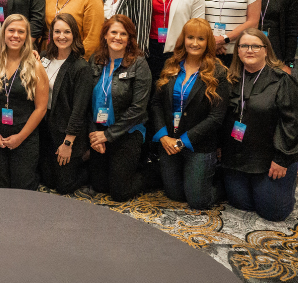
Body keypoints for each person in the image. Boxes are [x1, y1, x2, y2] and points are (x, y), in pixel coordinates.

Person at [150, 19, 229, 209]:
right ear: (183, 40)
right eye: (190, 37)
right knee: (175, 195)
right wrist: (163, 137)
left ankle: (224, 185)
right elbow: (155, 103)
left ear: (208, 42)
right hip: (169, 142)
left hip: (199, 145)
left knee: (197, 201)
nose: (194, 43)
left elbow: (216, 118)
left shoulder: (218, 72)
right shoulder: (171, 64)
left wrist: (182, 141)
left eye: (200, 39)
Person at [221, 30, 298, 221]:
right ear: (237, 51)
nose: (250, 50)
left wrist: (282, 158)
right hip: (237, 155)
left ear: (266, 50)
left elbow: (292, 122)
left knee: (273, 212)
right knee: (240, 203)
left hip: (271, 156)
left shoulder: (282, 80)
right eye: (244, 46)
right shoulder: (230, 78)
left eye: (256, 46)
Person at [0, 15, 48, 189]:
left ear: (26, 36)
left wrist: (20, 137)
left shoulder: (35, 65)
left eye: (21, 32)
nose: (15, 35)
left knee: (22, 187)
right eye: (11, 30)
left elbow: (41, 108)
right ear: (3, 33)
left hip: (24, 136)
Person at [88, 15, 151, 202]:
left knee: (119, 192)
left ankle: (154, 172)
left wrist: (108, 135)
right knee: (99, 185)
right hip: (100, 129)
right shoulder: (95, 60)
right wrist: (94, 134)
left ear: (130, 38)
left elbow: (138, 109)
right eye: (113, 32)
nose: (117, 37)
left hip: (128, 131)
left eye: (123, 34)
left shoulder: (139, 64)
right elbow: (85, 102)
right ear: (105, 35)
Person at [38, 14, 92, 194]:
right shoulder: (44, 57)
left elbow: (79, 110)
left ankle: (89, 165)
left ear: (74, 35)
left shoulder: (80, 67)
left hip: (67, 133)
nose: (62, 36)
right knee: (48, 180)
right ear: (51, 34)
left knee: (63, 187)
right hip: (46, 129)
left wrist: (68, 144)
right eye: (57, 31)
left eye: (67, 32)